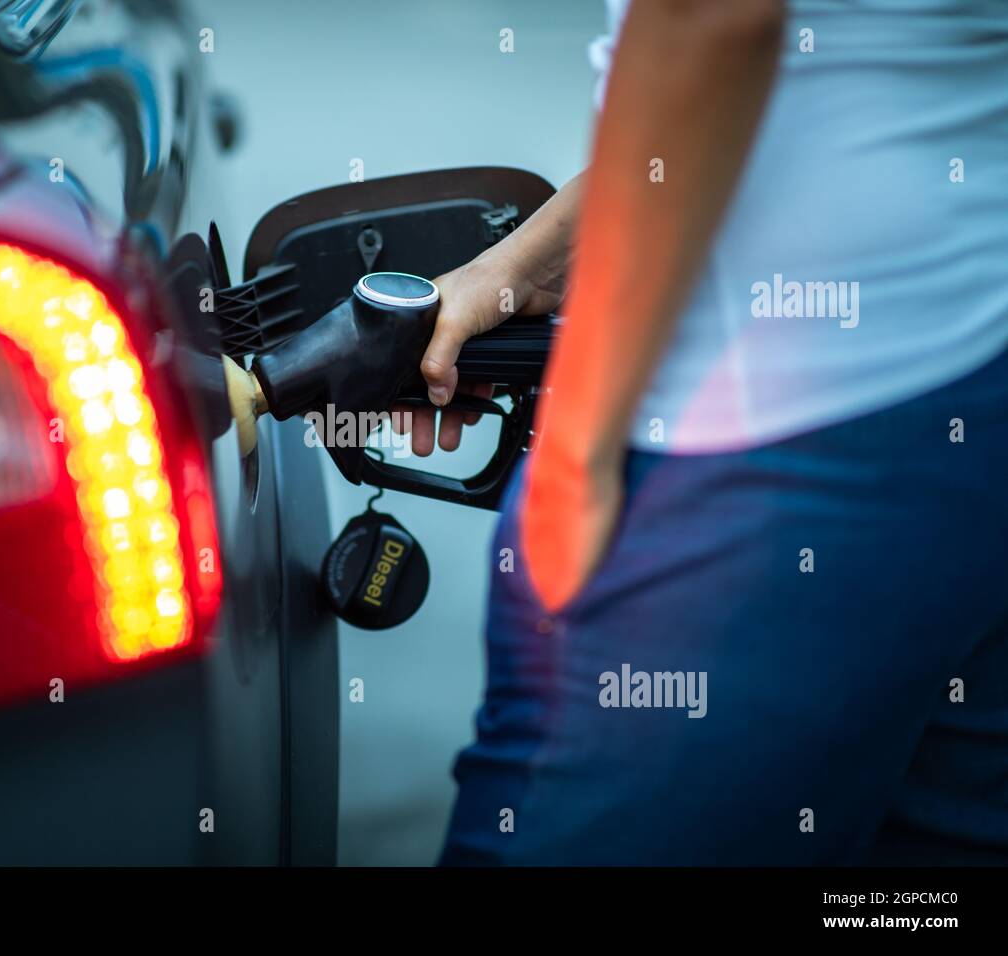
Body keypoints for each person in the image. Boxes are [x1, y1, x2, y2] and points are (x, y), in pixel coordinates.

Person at [417, 0, 1008, 864]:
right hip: (972, 386)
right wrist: (523, 268)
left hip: (757, 446)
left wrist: (574, 454)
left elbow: (709, 17)